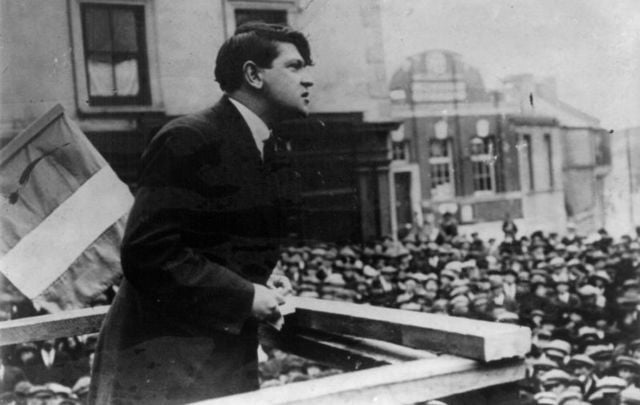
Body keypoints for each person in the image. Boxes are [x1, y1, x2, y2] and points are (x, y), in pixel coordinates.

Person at [88, 22, 313, 404]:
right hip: (162, 366)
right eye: (294, 67)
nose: (309, 80)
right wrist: (244, 295)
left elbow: (214, 244)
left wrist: (264, 280)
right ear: (253, 75)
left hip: (218, 359)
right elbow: (147, 252)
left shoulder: (268, 148)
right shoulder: (188, 138)